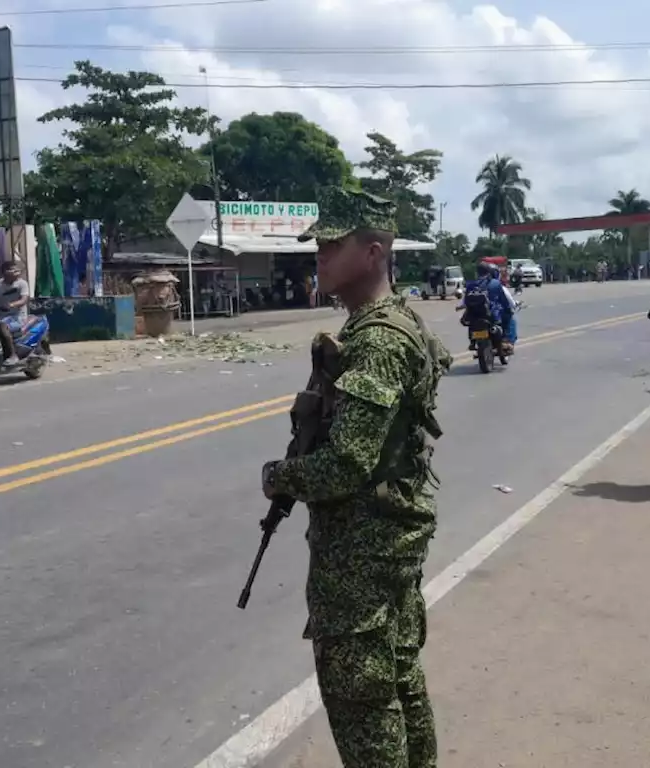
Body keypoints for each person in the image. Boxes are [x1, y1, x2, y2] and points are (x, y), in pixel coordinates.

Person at [261, 186, 451, 768]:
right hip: (389, 540)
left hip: (361, 556)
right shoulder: (397, 324)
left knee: (363, 703)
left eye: (331, 245)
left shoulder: (375, 342)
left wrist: (280, 476)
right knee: (398, 680)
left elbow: (345, 465)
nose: (318, 256)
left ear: (372, 253)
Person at [0, 261, 30, 365]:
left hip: (18, 316)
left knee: (2, 327)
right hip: (0, 316)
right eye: (13, 270)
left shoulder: (22, 283)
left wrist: (11, 305)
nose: (17, 272)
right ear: (5, 272)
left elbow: (24, 300)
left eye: (17, 270)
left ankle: (13, 355)